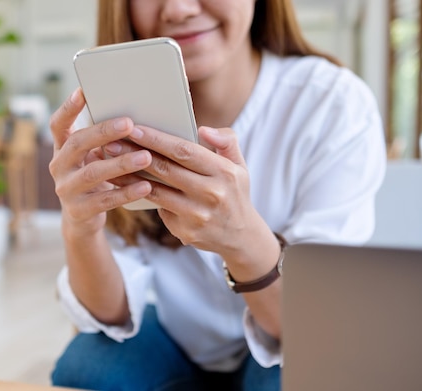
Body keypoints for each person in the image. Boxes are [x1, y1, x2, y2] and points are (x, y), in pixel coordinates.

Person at [48, 0, 387, 390]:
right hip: (173, 340)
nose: (178, 9)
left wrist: (241, 237)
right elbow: (108, 314)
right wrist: (80, 227)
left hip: (290, 332)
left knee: (300, 375)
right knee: (90, 365)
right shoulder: (109, 117)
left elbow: (315, 327)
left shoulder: (330, 103)